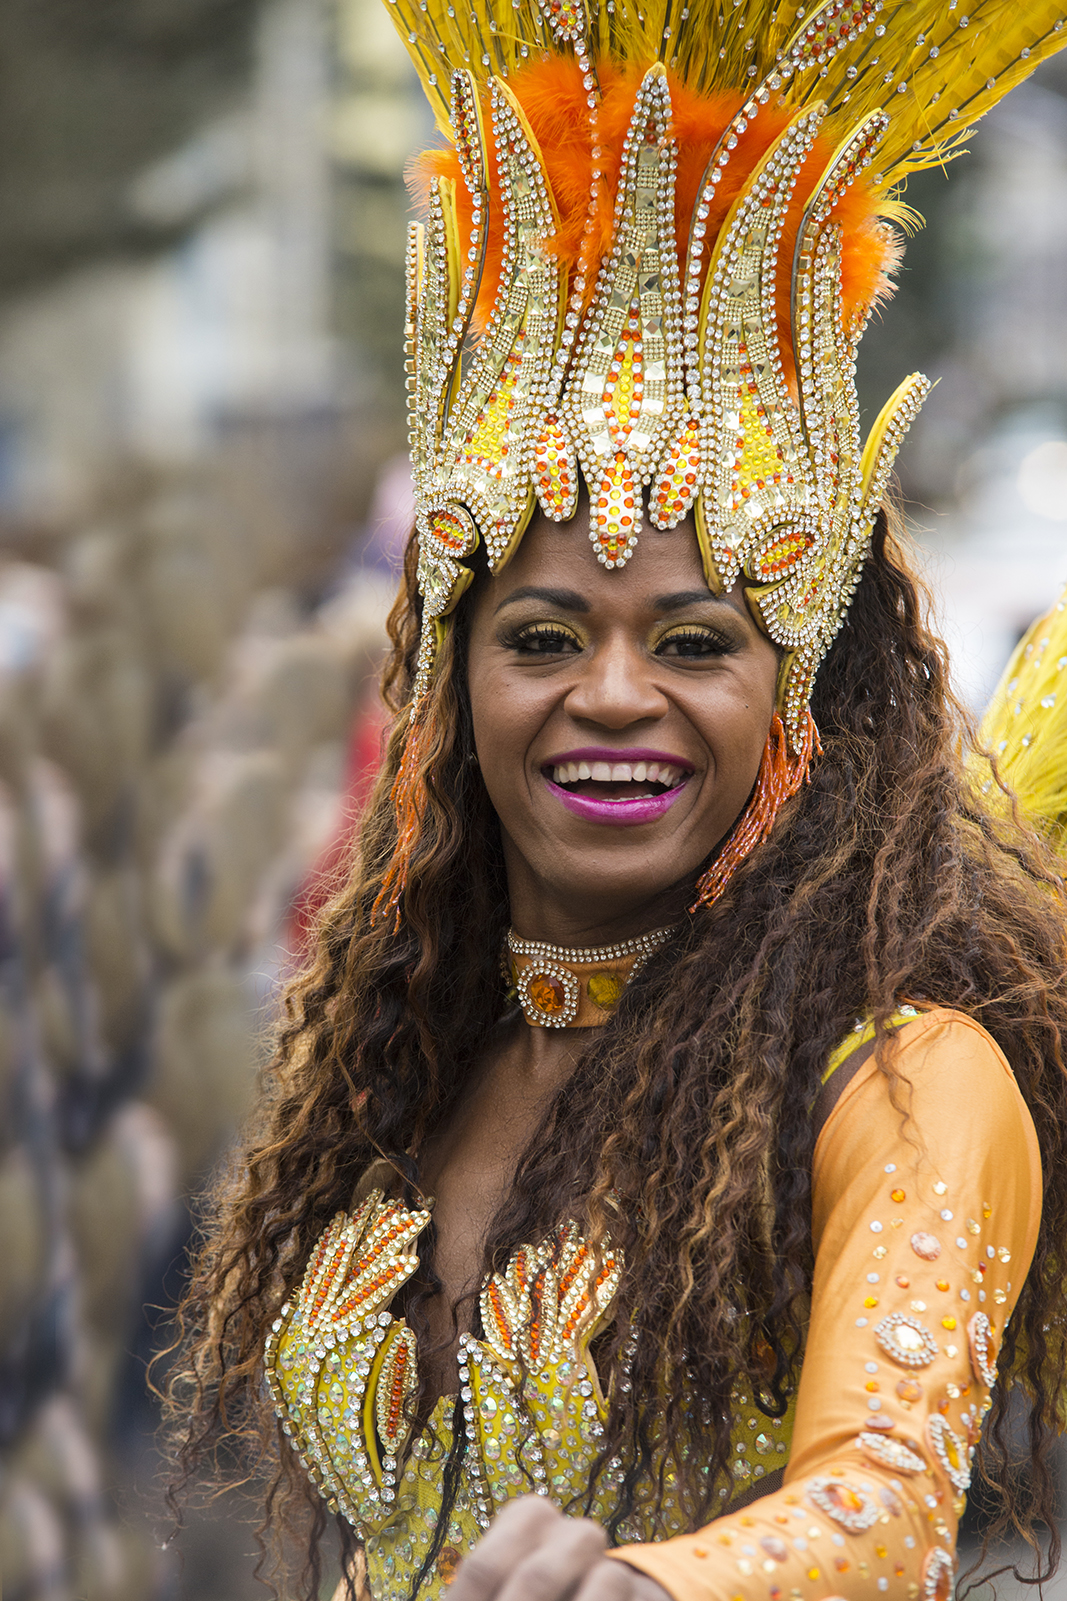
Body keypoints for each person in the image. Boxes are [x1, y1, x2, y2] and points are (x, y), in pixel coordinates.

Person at [166, 3, 1067, 1600]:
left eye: (697, 639)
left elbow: (884, 1506)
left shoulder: (909, 1077)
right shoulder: (404, 1047)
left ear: (799, 688)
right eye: (543, 635)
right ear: (454, 678)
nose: (614, 694)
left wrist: (647, 1587)